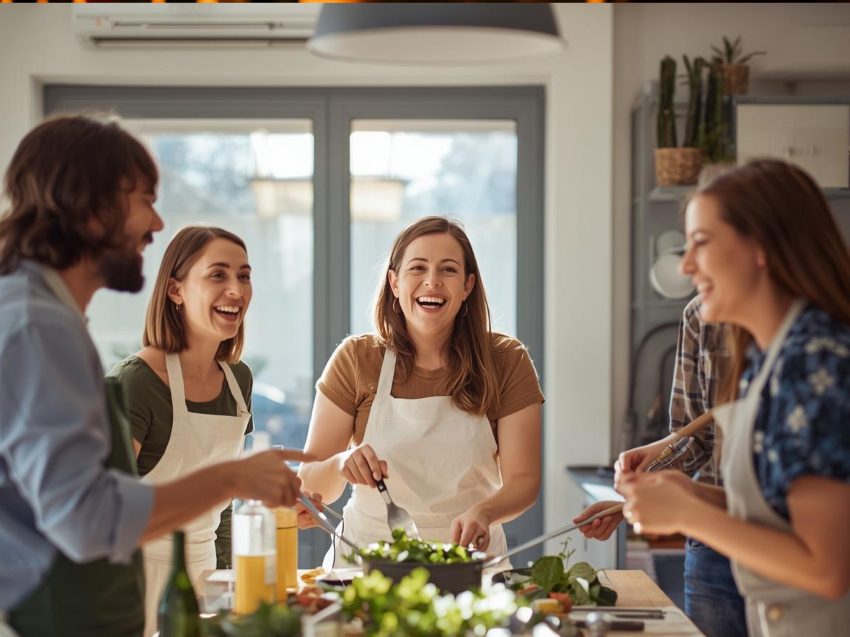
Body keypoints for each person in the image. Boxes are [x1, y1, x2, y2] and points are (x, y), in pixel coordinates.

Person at [0, 114, 306, 637]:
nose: (157, 223)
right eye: (144, 199)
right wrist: (234, 478)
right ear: (90, 206)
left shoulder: (40, 314)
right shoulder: (40, 326)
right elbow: (86, 519)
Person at [620, 159, 850, 636]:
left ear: (762, 245)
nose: (685, 266)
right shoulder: (772, 357)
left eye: (701, 242)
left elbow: (826, 569)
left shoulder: (815, 361)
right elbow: (784, 515)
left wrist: (686, 514)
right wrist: (692, 493)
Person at [298, 216, 543, 568]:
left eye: (448, 269)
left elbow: (524, 480)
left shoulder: (507, 360)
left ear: (467, 286)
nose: (432, 281)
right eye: (418, 268)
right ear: (395, 282)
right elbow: (311, 485)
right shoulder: (356, 359)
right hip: (363, 566)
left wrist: (485, 512)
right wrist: (341, 464)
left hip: (471, 564)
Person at [108, 226, 256, 637]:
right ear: (175, 290)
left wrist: (229, 585)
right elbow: (106, 514)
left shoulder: (238, 381)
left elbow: (223, 507)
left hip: (207, 579)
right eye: (218, 275)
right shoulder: (137, 382)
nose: (236, 290)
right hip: (135, 583)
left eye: (244, 276)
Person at [574, 297, 747, 637]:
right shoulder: (700, 314)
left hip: (782, 535)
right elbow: (695, 438)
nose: (686, 270)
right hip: (712, 543)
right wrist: (638, 491)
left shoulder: (813, 328)